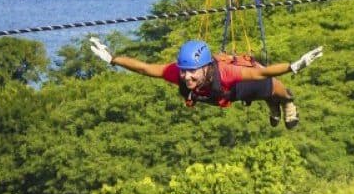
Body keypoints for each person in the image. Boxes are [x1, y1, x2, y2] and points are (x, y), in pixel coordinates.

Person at [89, 37, 322, 129]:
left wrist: (293, 66)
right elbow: (144, 68)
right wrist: (113, 59)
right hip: (222, 96)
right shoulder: (176, 73)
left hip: (232, 86)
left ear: (206, 67)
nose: (186, 78)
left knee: (268, 84)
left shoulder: (226, 71)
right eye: (184, 73)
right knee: (258, 90)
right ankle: (271, 103)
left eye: (192, 73)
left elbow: (263, 74)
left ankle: (286, 101)